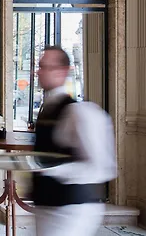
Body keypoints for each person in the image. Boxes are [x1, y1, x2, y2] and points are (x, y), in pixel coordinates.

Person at [33, 46, 117, 236]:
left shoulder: (80, 113)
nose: (38, 72)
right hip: (46, 206)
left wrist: (53, 169)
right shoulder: (48, 108)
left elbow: (102, 167)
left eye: (45, 67)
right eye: (39, 66)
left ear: (62, 71)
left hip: (72, 210)